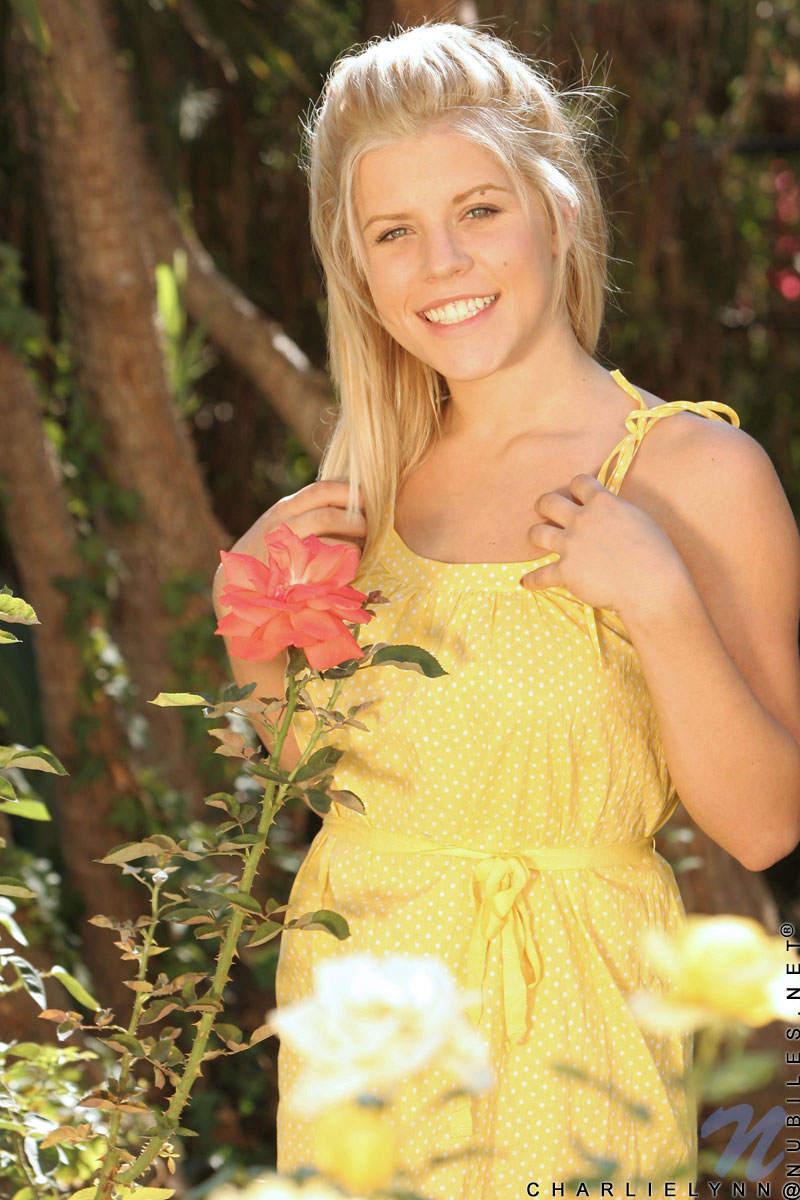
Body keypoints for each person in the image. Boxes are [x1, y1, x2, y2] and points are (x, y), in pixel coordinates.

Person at [212, 22, 800, 1198]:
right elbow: (332, 788)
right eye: (393, 231)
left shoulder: (691, 474)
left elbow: (765, 826)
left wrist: (658, 601)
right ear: (357, 266)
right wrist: (249, 632)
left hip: (578, 1028)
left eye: (477, 210)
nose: (441, 263)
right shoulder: (366, 489)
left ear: (556, 208)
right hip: (360, 1028)